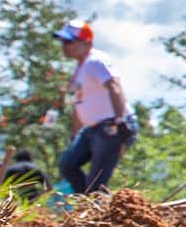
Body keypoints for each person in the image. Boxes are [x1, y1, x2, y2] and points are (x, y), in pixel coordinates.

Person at [53, 20, 135, 194]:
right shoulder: (81, 68)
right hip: (91, 129)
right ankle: (89, 203)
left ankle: (98, 205)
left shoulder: (96, 61)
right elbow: (80, 103)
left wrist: (119, 122)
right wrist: (75, 135)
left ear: (86, 42)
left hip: (109, 126)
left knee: (97, 182)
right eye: (63, 42)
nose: (65, 46)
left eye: (69, 42)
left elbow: (114, 86)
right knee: (68, 164)